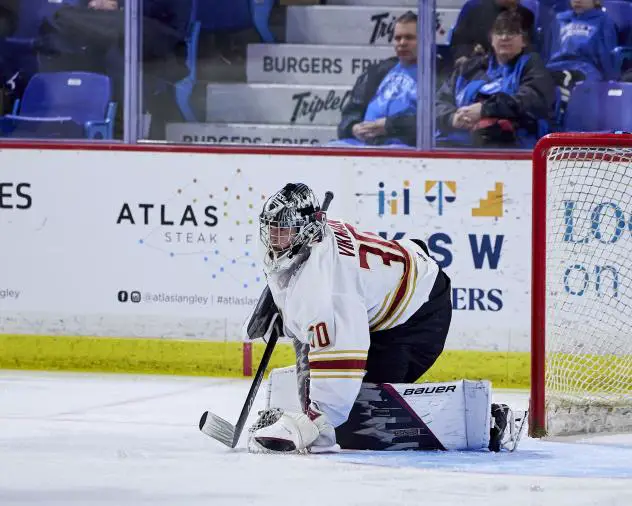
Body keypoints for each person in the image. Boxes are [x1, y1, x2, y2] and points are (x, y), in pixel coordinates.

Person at [247, 183, 514, 454]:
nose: (274, 237)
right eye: (271, 228)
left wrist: (316, 421)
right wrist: (286, 303)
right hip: (394, 284)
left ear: (306, 231)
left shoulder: (329, 288)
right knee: (343, 397)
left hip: (418, 316)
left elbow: (340, 363)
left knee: (358, 414)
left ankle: (485, 420)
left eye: (284, 230)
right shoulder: (315, 240)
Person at [436, 11, 556, 148]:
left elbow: (531, 100)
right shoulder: (469, 68)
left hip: (512, 146)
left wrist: (484, 110)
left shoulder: (533, 66)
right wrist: (452, 118)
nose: (504, 37)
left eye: (512, 33)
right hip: (456, 143)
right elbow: (438, 102)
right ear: (491, 39)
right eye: (499, 32)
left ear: (524, 41)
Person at [333, 11, 418, 148]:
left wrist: (389, 126)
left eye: (409, 38)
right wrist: (353, 128)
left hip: (403, 147)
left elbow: (437, 122)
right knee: (331, 149)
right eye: (398, 38)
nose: (402, 43)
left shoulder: (438, 75)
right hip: (362, 143)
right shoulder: (378, 71)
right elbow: (351, 113)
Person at [545, 0, 617, 110]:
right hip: (554, 67)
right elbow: (547, 51)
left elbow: (607, 56)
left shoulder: (604, 21)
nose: (577, 0)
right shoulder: (559, 19)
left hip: (585, 68)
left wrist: (611, 83)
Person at [450, 0, 535, 69]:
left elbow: (529, 48)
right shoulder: (473, 8)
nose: (504, 37)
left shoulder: (526, 15)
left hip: (515, 70)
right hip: (478, 69)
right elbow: (459, 42)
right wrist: (467, 56)